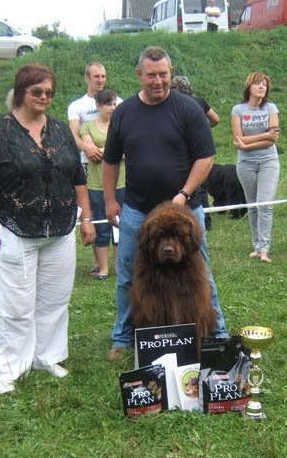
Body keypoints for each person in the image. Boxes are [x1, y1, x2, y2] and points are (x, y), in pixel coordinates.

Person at [0, 64, 95, 395]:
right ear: (21, 90)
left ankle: (46, 356)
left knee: (55, 300)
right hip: (14, 229)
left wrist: (86, 218)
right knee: (15, 305)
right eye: (37, 91)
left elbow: (78, 178)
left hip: (61, 229)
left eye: (49, 92)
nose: (43, 97)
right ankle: (9, 369)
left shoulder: (60, 130)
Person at [103, 46, 228, 362]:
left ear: (170, 73)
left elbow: (206, 157)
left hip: (185, 209)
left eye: (163, 74)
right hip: (137, 209)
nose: (157, 81)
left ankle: (218, 334)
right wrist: (108, 200)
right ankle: (122, 338)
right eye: (151, 75)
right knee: (129, 274)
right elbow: (110, 160)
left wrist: (184, 194)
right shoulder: (124, 112)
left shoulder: (188, 109)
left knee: (201, 272)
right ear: (139, 75)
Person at [68, 62, 122, 277]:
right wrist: (87, 148)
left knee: (117, 217)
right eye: (96, 76)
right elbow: (74, 133)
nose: (100, 80)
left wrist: (109, 152)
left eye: (103, 76)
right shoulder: (77, 105)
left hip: (115, 165)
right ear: (87, 78)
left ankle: (117, 263)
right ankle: (99, 262)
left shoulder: (118, 102)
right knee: (93, 212)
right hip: (87, 163)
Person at [231, 72, 280, 264]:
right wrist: (262, 136)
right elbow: (238, 138)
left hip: (269, 161)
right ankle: (257, 245)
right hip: (246, 164)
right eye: (258, 84)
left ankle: (264, 249)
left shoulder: (271, 108)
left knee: (264, 203)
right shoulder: (238, 110)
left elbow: (273, 139)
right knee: (252, 205)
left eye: (265, 85)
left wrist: (246, 144)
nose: (262, 87)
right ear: (249, 87)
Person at [80, 89, 125, 280]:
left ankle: (119, 266)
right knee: (101, 226)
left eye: (114, 104)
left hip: (122, 182)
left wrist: (106, 151)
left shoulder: (122, 125)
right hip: (96, 184)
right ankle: (103, 268)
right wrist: (111, 152)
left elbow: (127, 151)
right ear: (98, 106)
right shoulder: (87, 127)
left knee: (121, 226)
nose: (112, 107)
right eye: (108, 104)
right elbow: (90, 149)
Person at [170, 75, 220, 231]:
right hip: (201, 148)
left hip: (187, 150)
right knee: (200, 183)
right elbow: (215, 119)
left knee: (191, 183)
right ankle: (207, 220)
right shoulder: (199, 101)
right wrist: (203, 130)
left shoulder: (174, 105)